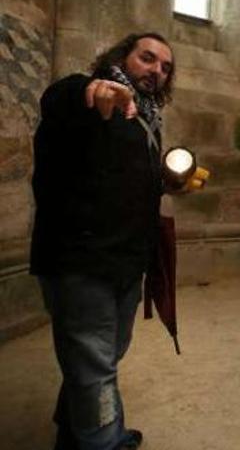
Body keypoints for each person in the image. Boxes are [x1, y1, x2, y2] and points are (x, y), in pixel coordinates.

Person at [31, 32, 184, 450]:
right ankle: (104, 439)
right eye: (147, 58)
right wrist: (90, 88)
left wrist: (167, 183)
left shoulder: (145, 118)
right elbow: (57, 101)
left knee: (103, 354)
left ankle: (75, 431)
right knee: (96, 363)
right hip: (81, 260)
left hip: (126, 259)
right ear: (122, 58)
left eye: (165, 67)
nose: (156, 70)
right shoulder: (94, 97)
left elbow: (122, 180)